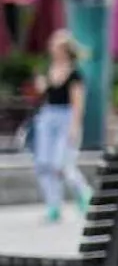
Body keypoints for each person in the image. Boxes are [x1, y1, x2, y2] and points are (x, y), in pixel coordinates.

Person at [31, 29, 93, 222]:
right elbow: (43, 94)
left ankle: (84, 193)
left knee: (62, 164)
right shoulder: (49, 69)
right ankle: (53, 206)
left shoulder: (75, 74)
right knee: (44, 164)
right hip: (48, 117)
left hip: (66, 117)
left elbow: (78, 103)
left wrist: (74, 127)